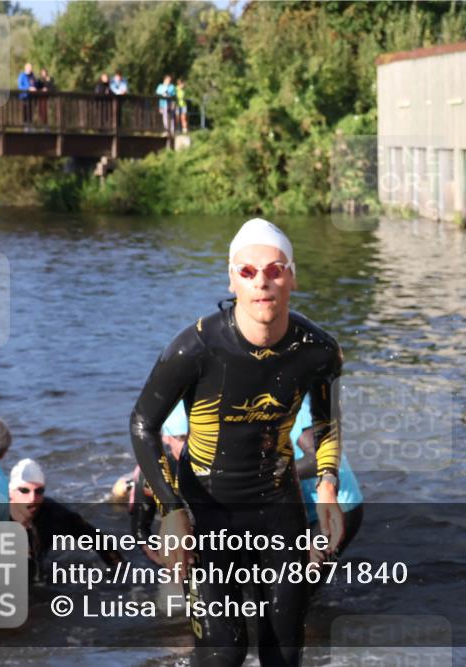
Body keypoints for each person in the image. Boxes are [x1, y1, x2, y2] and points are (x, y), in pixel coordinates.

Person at [130, 217, 344, 667]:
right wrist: (172, 510)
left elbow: (325, 423)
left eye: (275, 270)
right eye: (247, 271)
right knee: (224, 651)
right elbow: (143, 423)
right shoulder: (195, 348)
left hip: (278, 509)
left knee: (284, 650)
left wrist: (327, 487)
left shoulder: (318, 351)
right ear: (232, 280)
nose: (261, 281)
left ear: (292, 278)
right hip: (207, 510)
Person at [9, 459, 123, 583]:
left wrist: (121, 573)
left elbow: (97, 540)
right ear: (11, 492)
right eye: (24, 491)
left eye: (39, 491)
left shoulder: (55, 514)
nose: (32, 499)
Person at [291, 393, 363, 563]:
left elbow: (316, 460)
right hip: (303, 508)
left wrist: (267, 476)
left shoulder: (299, 406)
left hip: (336, 505)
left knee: (302, 573)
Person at [128, 401, 188, 563]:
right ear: (166, 438)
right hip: (153, 478)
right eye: (182, 438)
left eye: (194, 437)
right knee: (120, 492)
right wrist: (165, 564)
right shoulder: (150, 473)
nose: (188, 445)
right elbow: (140, 531)